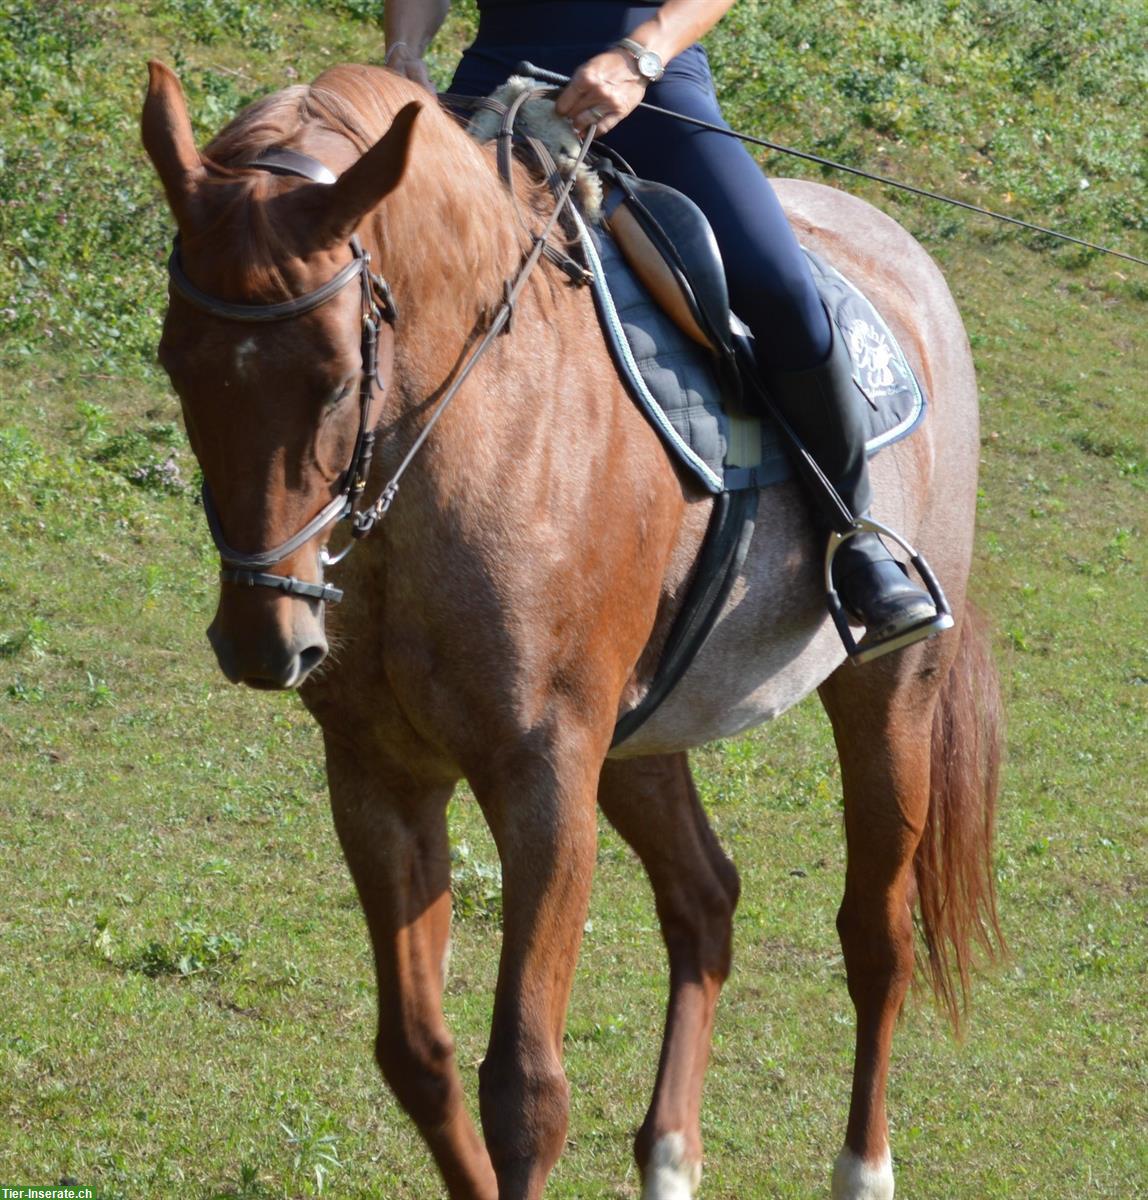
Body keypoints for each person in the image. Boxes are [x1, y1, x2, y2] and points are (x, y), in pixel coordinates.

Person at [383, 0, 947, 659]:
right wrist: (404, 53)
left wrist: (638, 56)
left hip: (649, 87)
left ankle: (854, 537)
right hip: (495, 87)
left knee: (778, 287)